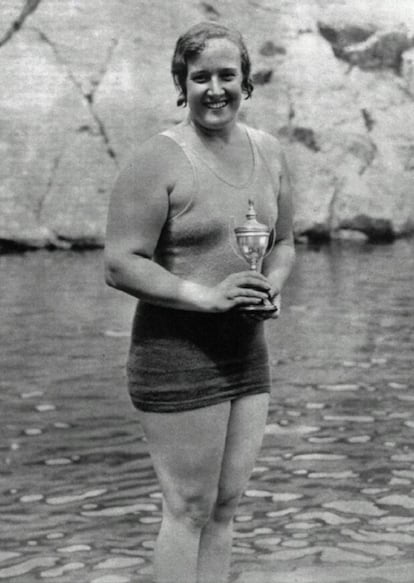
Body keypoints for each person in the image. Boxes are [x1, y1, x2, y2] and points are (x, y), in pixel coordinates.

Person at [104, 21, 295, 583]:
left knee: (226, 507)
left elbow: (283, 243)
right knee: (187, 509)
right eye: (200, 77)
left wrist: (272, 289)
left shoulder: (271, 152)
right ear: (181, 85)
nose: (215, 89)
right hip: (175, 357)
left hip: (247, 355)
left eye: (227, 75)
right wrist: (206, 297)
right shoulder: (156, 159)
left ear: (246, 82)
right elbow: (120, 262)